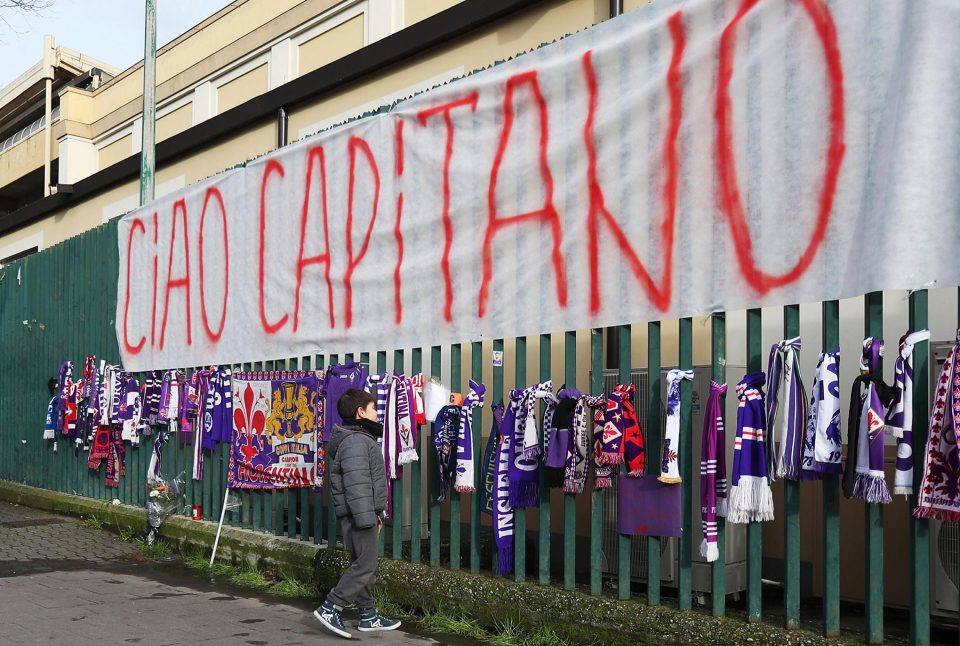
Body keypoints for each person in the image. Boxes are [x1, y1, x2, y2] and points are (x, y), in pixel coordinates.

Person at [314, 388, 400, 639]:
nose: (377, 414)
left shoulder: (358, 439)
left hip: (359, 515)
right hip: (359, 516)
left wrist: (376, 514)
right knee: (366, 565)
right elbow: (358, 485)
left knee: (362, 565)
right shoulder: (356, 442)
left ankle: (368, 615)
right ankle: (331, 606)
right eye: (373, 409)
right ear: (361, 412)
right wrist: (370, 518)